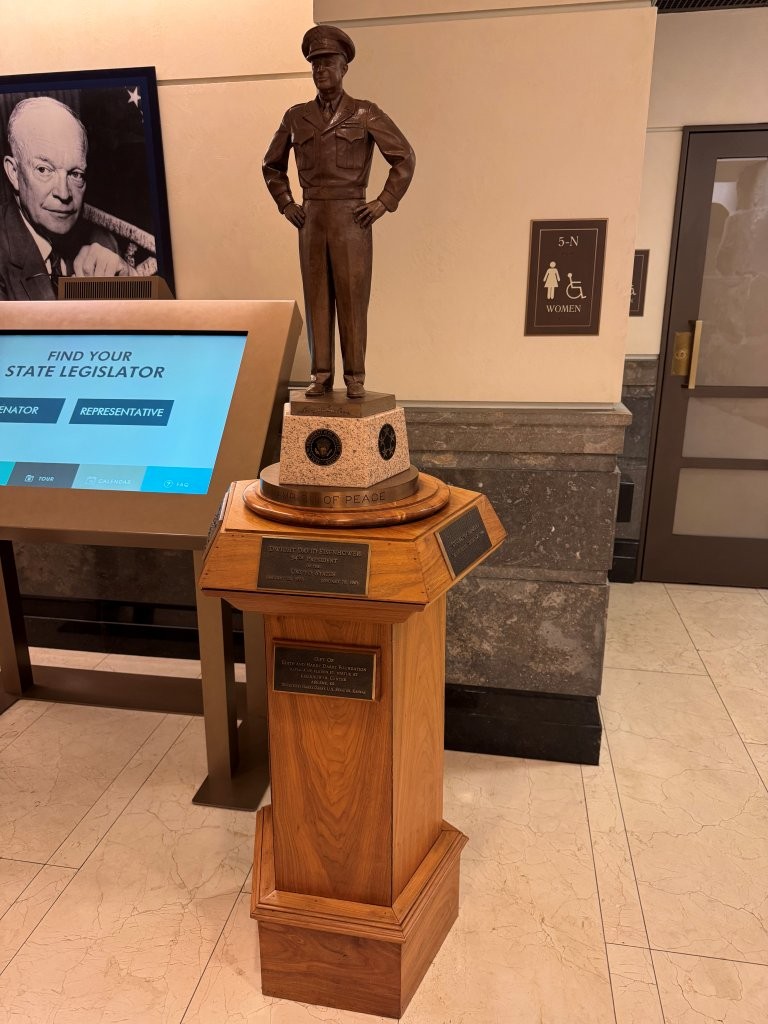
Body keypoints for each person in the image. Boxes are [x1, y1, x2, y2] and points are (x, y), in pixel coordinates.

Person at [263, 26, 415, 399]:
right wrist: (287, 204)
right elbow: (272, 166)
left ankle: (355, 377)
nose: (321, 70)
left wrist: (383, 202)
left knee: (351, 296)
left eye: (328, 63)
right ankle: (321, 375)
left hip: (352, 216)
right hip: (312, 216)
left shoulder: (365, 113)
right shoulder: (296, 117)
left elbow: (403, 157)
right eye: (315, 64)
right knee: (316, 295)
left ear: (344, 67)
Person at [0, 96, 135, 300]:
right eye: (44, 170)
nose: (64, 194)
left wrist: (129, 282)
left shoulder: (103, 244)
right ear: (13, 172)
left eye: (75, 174)